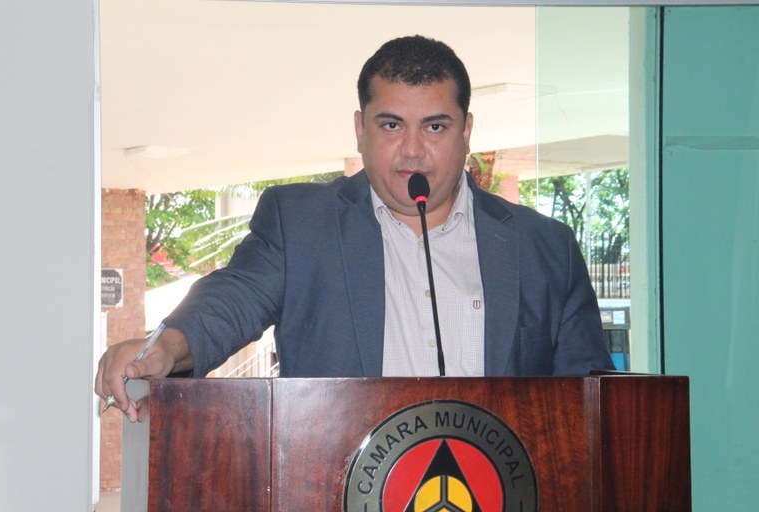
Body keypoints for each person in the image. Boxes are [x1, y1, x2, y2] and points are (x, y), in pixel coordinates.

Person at [95, 35, 613, 421]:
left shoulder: (545, 247)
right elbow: (232, 300)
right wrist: (166, 347)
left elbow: (593, 404)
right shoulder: (301, 224)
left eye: (435, 126)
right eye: (391, 125)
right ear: (360, 129)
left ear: (467, 131)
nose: (413, 151)